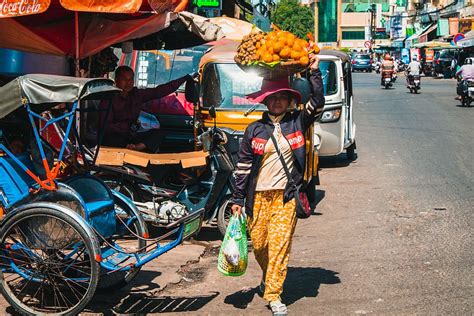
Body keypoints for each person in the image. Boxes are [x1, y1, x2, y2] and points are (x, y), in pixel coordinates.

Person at [230, 56, 325, 315]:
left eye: (282, 96)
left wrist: (314, 72)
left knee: (280, 245)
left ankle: (274, 295)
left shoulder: (297, 122)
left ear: (290, 99)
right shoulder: (254, 130)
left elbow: (317, 103)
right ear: (265, 100)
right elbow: (243, 167)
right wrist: (237, 200)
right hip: (257, 197)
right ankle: (268, 276)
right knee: (260, 245)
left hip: (285, 197)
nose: (278, 101)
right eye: (273, 97)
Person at [100, 66, 192, 152]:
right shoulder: (109, 98)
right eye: (124, 79)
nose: (128, 83)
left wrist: (183, 79)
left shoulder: (137, 94)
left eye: (131, 79)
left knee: (159, 133)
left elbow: (159, 91)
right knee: (110, 139)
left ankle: (137, 147)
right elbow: (106, 127)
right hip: (116, 137)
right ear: (116, 80)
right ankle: (130, 147)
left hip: (131, 136)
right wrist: (127, 126)